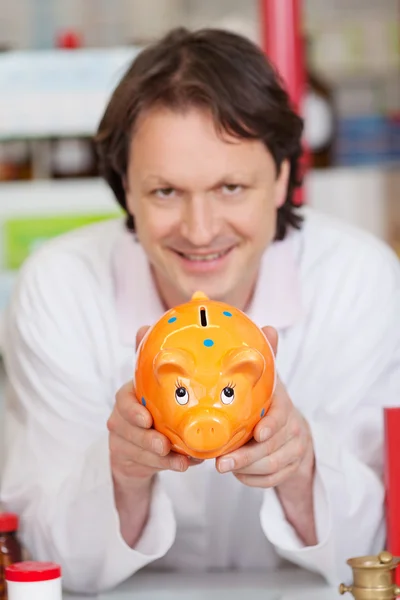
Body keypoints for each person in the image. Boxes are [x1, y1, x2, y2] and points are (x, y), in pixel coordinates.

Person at [0, 26, 399, 595]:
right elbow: (43, 565)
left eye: (231, 187)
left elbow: (379, 556)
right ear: (125, 191)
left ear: (284, 178)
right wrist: (123, 473)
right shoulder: (61, 288)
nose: (201, 230)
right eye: (165, 192)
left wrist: (302, 464)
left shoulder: (358, 280)